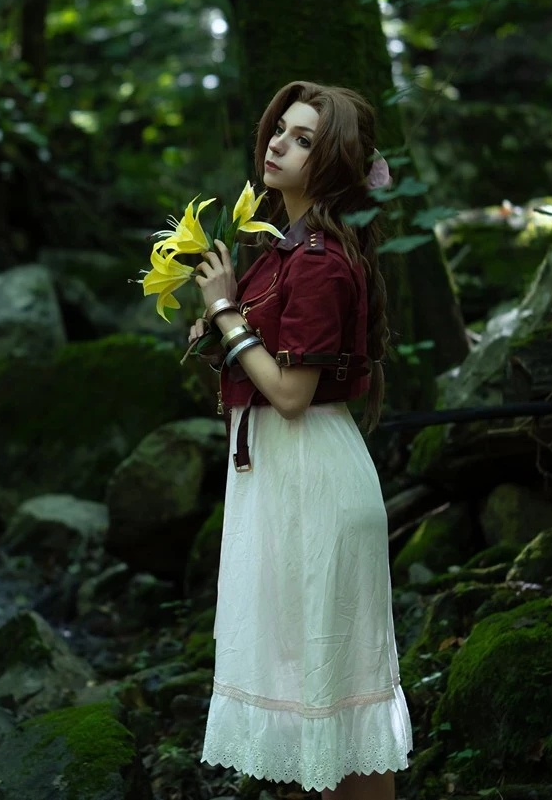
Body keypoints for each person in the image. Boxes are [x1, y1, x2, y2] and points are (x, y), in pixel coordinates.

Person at [193, 81, 413, 800]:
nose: (278, 143)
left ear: (334, 163)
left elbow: (291, 393)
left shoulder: (315, 258)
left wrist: (226, 315)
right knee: (317, 701)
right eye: (279, 129)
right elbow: (258, 360)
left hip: (313, 485)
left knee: (335, 692)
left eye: (304, 138)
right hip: (285, 486)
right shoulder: (280, 251)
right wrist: (223, 325)